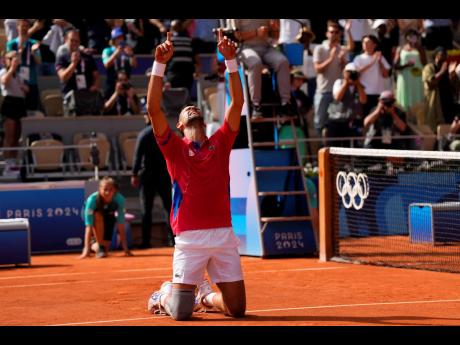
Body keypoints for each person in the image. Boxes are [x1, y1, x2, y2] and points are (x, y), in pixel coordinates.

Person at [146, 30, 245, 321]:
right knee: (180, 313)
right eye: (186, 110)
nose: (191, 108)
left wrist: (231, 61)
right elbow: (153, 108)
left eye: (195, 108)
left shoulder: (221, 141)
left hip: (223, 235)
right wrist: (159, 65)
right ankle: (163, 294)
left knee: (237, 309)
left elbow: (237, 104)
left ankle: (205, 295)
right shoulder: (174, 148)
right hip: (189, 238)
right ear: (179, 125)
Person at [229, 19, 291, 118]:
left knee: (283, 62)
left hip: (266, 48)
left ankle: (285, 103)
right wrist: (256, 32)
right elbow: (235, 36)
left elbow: (275, 37)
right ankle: (256, 105)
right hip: (245, 48)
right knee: (256, 63)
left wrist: (275, 29)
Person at [131, 115, 175, 248]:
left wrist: (134, 173)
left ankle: (146, 241)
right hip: (164, 175)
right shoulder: (166, 133)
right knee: (169, 208)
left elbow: (137, 156)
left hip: (148, 176)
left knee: (146, 209)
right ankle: (173, 240)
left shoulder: (144, 134)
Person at [313, 21, 353, 137]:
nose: (334, 34)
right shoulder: (319, 48)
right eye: (331, 32)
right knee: (319, 123)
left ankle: (334, 151)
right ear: (327, 34)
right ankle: (321, 150)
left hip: (338, 93)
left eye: (336, 32)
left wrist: (348, 31)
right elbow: (318, 69)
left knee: (337, 123)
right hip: (323, 91)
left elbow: (351, 47)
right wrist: (331, 57)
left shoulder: (341, 49)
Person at [79, 176, 133, 259]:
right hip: (92, 216)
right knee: (98, 216)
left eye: (111, 189)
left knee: (105, 250)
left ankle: (98, 246)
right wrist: (86, 249)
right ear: (100, 190)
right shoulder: (92, 200)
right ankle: (96, 246)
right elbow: (88, 226)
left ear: (114, 190)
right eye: (105, 189)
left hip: (108, 215)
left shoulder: (120, 200)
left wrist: (125, 248)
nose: (108, 192)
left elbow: (121, 224)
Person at [55, 29, 102, 115]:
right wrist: (73, 63)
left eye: (77, 41)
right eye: (72, 40)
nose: (75, 43)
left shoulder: (87, 57)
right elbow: (63, 77)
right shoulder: (62, 57)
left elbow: (96, 76)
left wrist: (95, 86)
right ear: (66, 40)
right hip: (71, 101)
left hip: (88, 98)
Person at [0, 51, 28, 177]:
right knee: (9, 135)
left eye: (17, 58)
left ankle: (13, 161)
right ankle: (7, 164)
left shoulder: (19, 75)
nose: (16, 60)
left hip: (19, 103)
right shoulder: (4, 72)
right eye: (12, 58)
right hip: (9, 103)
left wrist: (24, 88)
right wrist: (12, 68)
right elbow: (4, 82)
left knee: (17, 136)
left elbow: (26, 89)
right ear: (6, 60)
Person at [327, 62, 367, 147]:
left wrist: (358, 83)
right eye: (349, 72)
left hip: (351, 123)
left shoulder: (359, 86)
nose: (351, 75)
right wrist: (346, 82)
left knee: (349, 149)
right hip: (336, 121)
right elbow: (337, 97)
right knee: (334, 148)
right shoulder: (339, 82)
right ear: (344, 72)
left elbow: (363, 101)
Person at [6, 19, 42, 113]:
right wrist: (18, 53)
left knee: (32, 111)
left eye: (26, 26)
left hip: (32, 81)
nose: (24, 28)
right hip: (17, 83)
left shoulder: (33, 43)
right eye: (22, 26)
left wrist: (34, 52)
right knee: (17, 113)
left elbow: (38, 62)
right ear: (17, 27)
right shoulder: (12, 44)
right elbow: (8, 64)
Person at [422, 47, 459, 132]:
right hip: (435, 104)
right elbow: (430, 82)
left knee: (449, 127)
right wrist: (442, 71)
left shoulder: (448, 68)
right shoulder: (429, 68)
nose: (444, 57)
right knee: (434, 128)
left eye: (445, 55)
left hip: (448, 103)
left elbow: (455, 88)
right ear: (435, 56)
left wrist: (452, 75)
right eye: (442, 55)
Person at [353, 35, 391, 118]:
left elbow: (386, 75)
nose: (365, 44)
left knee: (377, 118)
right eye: (364, 42)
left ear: (374, 45)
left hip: (378, 93)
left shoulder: (380, 57)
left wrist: (380, 62)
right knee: (364, 117)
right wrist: (372, 62)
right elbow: (356, 73)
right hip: (364, 93)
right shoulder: (358, 58)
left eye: (368, 42)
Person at [394, 29, 426, 113]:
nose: (412, 38)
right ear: (406, 38)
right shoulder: (400, 49)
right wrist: (406, 65)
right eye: (410, 36)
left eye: (414, 36)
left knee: (417, 96)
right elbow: (395, 65)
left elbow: (424, 63)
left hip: (417, 78)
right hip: (405, 78)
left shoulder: (420, 48)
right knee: (405, 98)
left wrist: (419, 49)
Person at [102, 27, 137, 99]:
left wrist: (131, 55)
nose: (120, 40)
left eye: (121, 37)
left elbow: (134, 65)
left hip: (126, 84)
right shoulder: (107, 50)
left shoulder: (127, 50)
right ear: (113, 40)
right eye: (117, 38)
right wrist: (116, 53)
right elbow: (106, 65)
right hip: (112, 84)